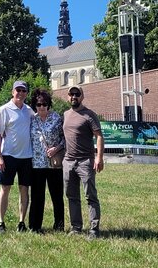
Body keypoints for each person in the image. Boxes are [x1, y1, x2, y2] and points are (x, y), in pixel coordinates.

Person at [63, 85, 104, 240]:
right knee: (71, 196)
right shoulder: (66, 114)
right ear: (68, 96)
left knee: (90, 196)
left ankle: (94, 229)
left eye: (77, 94)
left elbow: (99, 136)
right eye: (71, 94)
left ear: (82, 96)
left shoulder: (89, 115)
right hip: (68, 161)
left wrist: (99, 157)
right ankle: (76, 227)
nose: (74, 96)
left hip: (85, 161)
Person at [0, 80, 34, 234]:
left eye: (23, 91)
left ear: (26, 94)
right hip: (8, 156)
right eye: (18, 90)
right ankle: (1, 223)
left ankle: (21, 222)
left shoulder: (29, 111)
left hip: (26, 157)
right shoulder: (4, 110)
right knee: (5, 188)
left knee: (24, 189)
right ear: (12, 92)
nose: (20, 93)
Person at [28, 89, 65, 233]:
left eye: (44, 104)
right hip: (37, 164)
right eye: (38, 104)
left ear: (48, 104)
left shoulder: (56, 118)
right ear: (34, 105)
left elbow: (65, 138)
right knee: (37, 197)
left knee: (57, 196)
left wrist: (56, 148)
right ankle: (35, 226)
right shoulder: (32, 119)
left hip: (54, 165)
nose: (41, 107)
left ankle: (59, 226)